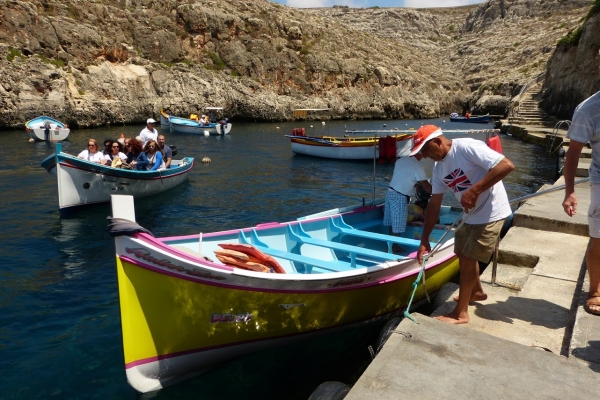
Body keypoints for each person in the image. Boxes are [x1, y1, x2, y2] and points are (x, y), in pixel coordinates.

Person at [411, 125, 515, 324]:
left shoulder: (466, 147)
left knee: (468, 258)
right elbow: (435, 203)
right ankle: (475, 291)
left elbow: (506, 165)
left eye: (425, 149)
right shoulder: (439, 167)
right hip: (469, 215)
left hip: (491, 212)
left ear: (438, 141)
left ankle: (461, 313)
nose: (424, 155)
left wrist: (475, 191)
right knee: (460, 253)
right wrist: (424, 239)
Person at [562, 91, 600, 316]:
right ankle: (595, 291)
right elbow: (573, 151)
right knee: (599, 240)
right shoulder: (588, 110)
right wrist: (570, 191)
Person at [383, 153, 431, 253]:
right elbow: (426, 186)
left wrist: (414, 182)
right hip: (399, 196)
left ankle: (393, 246)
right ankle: (390, 249)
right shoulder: (418, 166)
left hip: (390, 193)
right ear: (423, 154)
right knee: (398, 226)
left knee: (393, 223)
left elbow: (403, 176)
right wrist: (437, 192)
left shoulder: (401, 160)